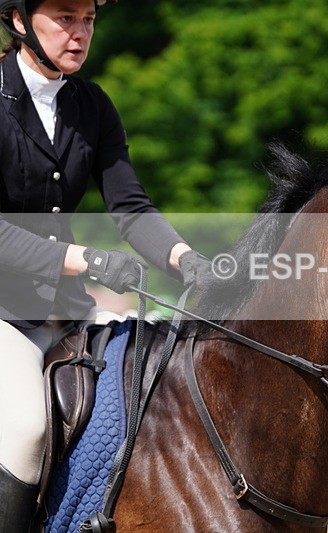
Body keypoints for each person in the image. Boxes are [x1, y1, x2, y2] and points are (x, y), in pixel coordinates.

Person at [0, 1, 209, 530]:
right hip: (3, 314)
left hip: (66, 315)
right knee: (26, 430)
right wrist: (84, 259)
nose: (79, 33)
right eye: (64, 18)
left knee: (148, 403)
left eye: (88, 20)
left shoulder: (91, 105)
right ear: (20, 20)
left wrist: (189, 263)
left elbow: (131, 209)